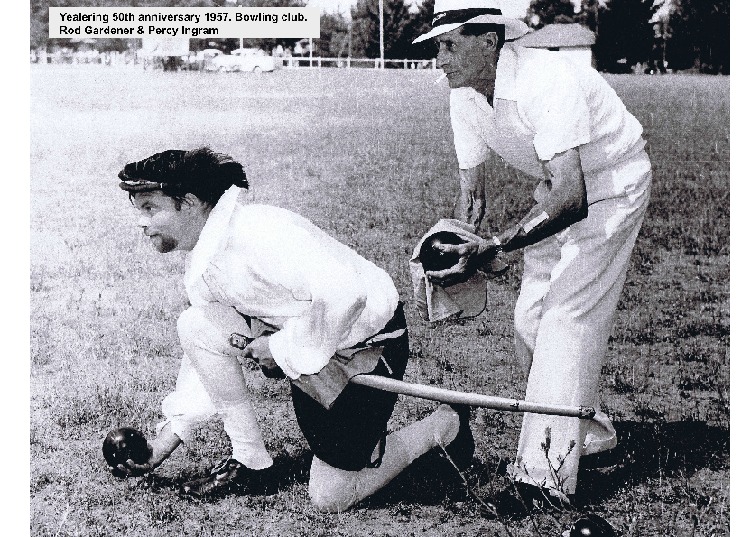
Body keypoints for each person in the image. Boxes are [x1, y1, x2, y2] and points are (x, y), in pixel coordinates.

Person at [112, 147, 473, 511]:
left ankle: (444, 426)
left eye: (149, 208)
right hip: (309, 343)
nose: (141, 223)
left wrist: (281, 349)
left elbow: (348, 294)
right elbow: (204, 347)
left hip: (366, 341)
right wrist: (171, 434)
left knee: (331, 496)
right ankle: (251, 462)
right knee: (196, 324)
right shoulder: (205, 258)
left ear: (187, 202)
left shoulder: (261, 233)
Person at [412, 0, 652, 509]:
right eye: (438, 46)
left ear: (489, 41)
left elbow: (575, 197)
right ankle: (590, 437)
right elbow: (472, 198)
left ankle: (543, 480)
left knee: (566, 317)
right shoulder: (464, 95)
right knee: (529, 320)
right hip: (555, 195)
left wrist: (497, 246)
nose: (440, 60)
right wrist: (456, 250)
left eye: (450, 45)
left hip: (611, 188)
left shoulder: (546, 79)